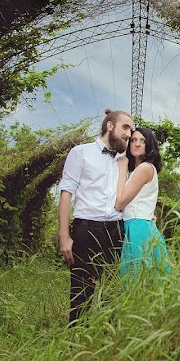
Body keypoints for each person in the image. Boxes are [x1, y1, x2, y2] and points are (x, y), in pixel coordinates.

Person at [59, 109, 134, 325]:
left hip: (115, 230)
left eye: (131, 129)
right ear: (110, 126)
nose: (129, 134)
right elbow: (66, 193)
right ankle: (74, 339)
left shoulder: (124, 160)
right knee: (82, 289)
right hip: (87, 229)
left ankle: (106, 341)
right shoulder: (80, 152)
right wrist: (64, 236)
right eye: (125, 127)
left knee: (112, 290)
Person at [114, 126, 171, 280]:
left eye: (142, 141)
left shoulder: (145, 168)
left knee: (135, 280)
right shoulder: (136, 170)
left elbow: (119, 203)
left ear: (149, 145)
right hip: (138, 225)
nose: (137, 144)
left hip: (137, 226)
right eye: (133, 140)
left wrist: (122, 168)